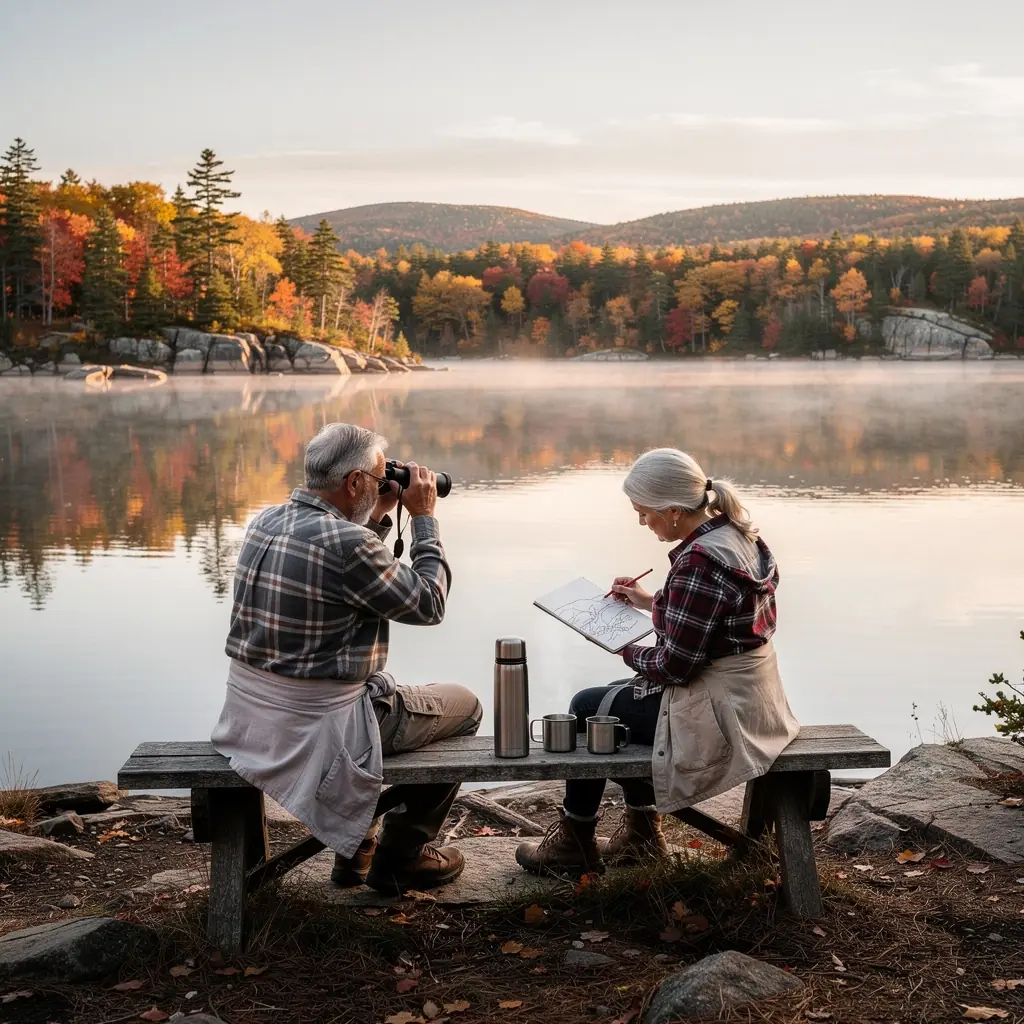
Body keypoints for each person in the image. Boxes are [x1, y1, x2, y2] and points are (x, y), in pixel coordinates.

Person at [211, 423, 482, 896]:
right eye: (378, 479)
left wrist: (376, 513)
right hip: (319, 727)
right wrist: (423, 520)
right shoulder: (347, 545)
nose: (383, 485)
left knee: (391, 689)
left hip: (252, 718)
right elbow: (428, 604)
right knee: (466, 706)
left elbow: (345, 572)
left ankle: (357, 848)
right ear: (353, 482)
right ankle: (403, 858)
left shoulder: (266, 520)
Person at [516, 448, 799, 876]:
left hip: (721, 713)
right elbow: (715, 623)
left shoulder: (698, 563)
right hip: (755, 700)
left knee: (589, 708)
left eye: (644, 514)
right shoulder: (738, 537)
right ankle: (641, 834)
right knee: (615, 699)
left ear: (671, 511)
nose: (642, 523)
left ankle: (578, 839)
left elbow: (674, 667)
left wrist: (619, 644)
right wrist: (649, 602)